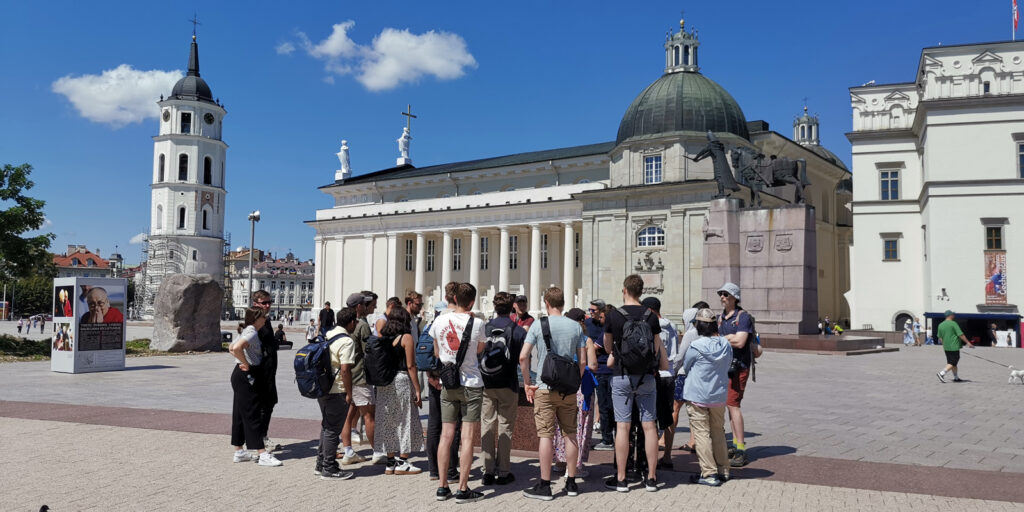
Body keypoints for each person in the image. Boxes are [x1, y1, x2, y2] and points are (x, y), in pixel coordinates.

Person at [603, 275, 668, 493]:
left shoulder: (614, 315)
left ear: (624, 290)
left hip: (621, 375)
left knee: (623, 426)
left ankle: (621, 478)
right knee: (649, 427)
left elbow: (607, 347)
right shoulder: (651, 316)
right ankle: (651, 478)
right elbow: (656, 349)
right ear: (641, 291)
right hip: (647, 377)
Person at [520, 288, 585, 500]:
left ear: (546, 302)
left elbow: (523, 357)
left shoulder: (539, 325)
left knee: (546, 435)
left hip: (545, 388)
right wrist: (575, 380)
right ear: (563, 303)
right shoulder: (576, 326)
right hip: (568, 390)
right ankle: (572, 482)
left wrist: (528, 384)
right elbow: (582, 361)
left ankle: (545, 485)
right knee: (570, 434)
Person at [431, 283, 486, 503]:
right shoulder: (478, 323)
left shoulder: (439, 320)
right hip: (471, 382)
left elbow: (437, 351)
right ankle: (463, 488)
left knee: (446, 436)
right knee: (467, 437)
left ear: (453, 298)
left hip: (448, 384)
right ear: (472, 301)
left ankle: (443, 486)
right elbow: (480, 350)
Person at [480, 291, 526, 486]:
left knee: (487, 425)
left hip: (487, 383)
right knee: (505, 427)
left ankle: (487, 470)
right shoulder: (518, 331)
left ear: (494, 306)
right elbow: (523, 359)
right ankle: (504, 471)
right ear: (512, 307)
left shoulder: (484, 328)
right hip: (508, 382)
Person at [683, 308, 733, 487]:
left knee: (702, 433)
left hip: (697, 394)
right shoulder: (725, 344)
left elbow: (687, 365)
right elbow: (728, 364)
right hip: (718, 394)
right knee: (718, 431)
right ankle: (724, 469)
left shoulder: (696, 346)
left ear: (698, 326)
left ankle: (709, 473)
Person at [227, 307, 281, 467]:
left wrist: (241, 361)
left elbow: (231, 347)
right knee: (252, 413)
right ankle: (262, 453)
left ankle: (239, 451)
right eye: (263, 317)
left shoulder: (246, 330)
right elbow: (236, 348)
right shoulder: (251, 332)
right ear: (256, 318)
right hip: (247, 376)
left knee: (239, 412)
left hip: (239, 375)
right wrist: (245, 363)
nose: (265, 319)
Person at [374, 306, 425, 475]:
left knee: (388, 420)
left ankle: (390, 462)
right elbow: (411, 365)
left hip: (385, 382)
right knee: (404, 419)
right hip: (401, 380)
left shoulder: (383, 336)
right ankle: (402, 461)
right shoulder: (406, 337)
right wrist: (417, 389)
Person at [552, 307, 598, 480]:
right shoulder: (586, 340)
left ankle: (560, 461)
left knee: (561, 424)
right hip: (581, 386)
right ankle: (575, 466)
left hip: (562, 386)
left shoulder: (560, 338)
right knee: (580, 425)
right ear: (582, 322)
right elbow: (593, 365)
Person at [315, 307, 357, 480]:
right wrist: (349, 393)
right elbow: (346, 370)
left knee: (326, 427)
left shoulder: (328, 334)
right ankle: (329, 468)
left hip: (323, 388)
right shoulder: (347, 341)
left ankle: (321, 463)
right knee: (332, 429)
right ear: (352, 322)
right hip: (337, 389)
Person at [426, 282, 461, 482]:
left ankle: (433, 470)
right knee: (452, 426)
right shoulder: (459, 319)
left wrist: (431, 376)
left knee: (434, 424)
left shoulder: (435, 320)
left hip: (434, 378)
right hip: (452, 379)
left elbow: (432, 352)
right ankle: (450, 470)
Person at [339, 292, 378, 464]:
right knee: (369, 415)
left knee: (348, 415)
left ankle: (348, 450)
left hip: (346, 376)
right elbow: (369, 352)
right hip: (360, 376)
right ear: (359, 307)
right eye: (365, 304)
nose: (370, 306)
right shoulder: (361, 325)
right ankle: (377, 451)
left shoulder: (341, 324)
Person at [717, 282, 752, 467]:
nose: (722, 297)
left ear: (735, 297)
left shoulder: (743, 317)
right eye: (721, 294)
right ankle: (736, 444)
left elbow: (740, 342)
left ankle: (741, 449)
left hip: (738, 367)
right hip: (724, 367)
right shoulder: (721, 317)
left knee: (734, 405)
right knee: (730, 406)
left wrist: (724, 339)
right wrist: (728, 338)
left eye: (726, 294)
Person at [641, 297, 678, 469]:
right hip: (669, 374)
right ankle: (668, 456)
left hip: (655, 374)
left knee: (650, 418)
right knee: (668, 417)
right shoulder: (673, 326)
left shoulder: (650, 326)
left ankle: (651, 459)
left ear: (650, 310)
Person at [672, 302, 708, 455]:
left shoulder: (690, 333)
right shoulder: (705, 333)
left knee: (674, 407)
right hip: (699, 376)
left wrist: (672, 369)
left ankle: (664, 441)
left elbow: (680, 356)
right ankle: (693, 441)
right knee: (694, 409)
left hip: (684, 374)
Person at [587, 299, 615, 451]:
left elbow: (595, 347)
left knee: (606, 406)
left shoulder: (607, 329)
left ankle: (607, 439)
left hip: (605, 370)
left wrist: (588, 346)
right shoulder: (589, 324)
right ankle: (610, 437)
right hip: (602, 369)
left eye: (593, 311)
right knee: (606, 406)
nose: (591, 313)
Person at [936, 310, 975, 383]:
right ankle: (941, 373)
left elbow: (940, 337)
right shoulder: (953, 323)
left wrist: (945, 343)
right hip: (954, 346)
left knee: (951, 363)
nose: (954, 315)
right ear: (950, 315)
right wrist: (968, 343)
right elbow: (960, 334)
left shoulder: (940, 325)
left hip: (946, 347)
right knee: (953, 362)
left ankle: (956, 378)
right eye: (953, 314)